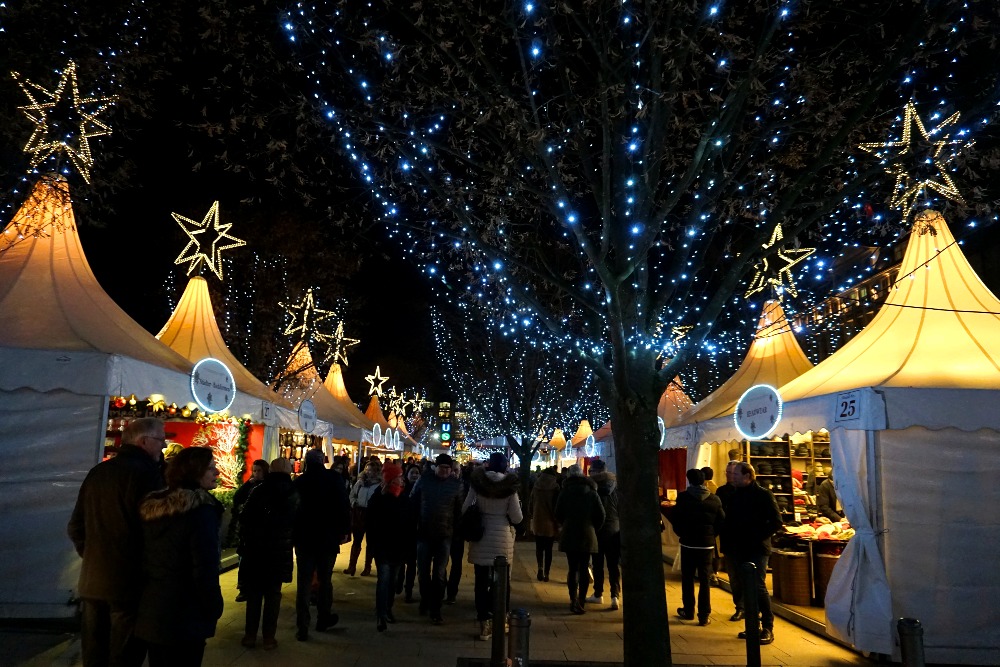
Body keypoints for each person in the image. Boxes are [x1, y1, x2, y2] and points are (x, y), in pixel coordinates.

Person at [67, 416, 166, 667]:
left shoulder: (99, 472)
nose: (163, 446)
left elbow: (75, 526)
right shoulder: (147, 475)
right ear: (144, 442)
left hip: (94, 580)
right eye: (160, 440)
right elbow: (155, 531)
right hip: (129, 583)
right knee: (124, 655)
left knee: (94, 654)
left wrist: (92, 555)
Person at [135, 447, 223, 666]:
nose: (217, 472)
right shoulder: (201, 512)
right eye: (211, 468)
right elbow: (204, 569)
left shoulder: (154, 507)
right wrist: (213, 607)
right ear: (195, 471)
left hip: (153, 609)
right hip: (185, 613)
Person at [237, 457, 298, 650]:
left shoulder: (258, 490)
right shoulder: (294, 494)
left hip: (257, 549)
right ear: (288, 471)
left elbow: (244, 518)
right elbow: (298, 523)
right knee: (273, 594)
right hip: (280, 551)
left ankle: (250, 635)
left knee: (254, 594)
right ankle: (269, 637)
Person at [293, 448, 351, 641]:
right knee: (325, 580)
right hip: (327, 537)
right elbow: (344, 505)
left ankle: (302, 625)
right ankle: (323, 618)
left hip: (304, 538)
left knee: (304, 581)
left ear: (307, 462)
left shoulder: (300, 481)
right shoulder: (334, 479)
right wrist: (344, 530)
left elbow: (294, 509)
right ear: (323, 461)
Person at [722, 462, 783, 645]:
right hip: (738, 549)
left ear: (748, 476)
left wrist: (758, 536)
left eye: (737, 475)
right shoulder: (733, 496)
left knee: (757, 586)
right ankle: (752, 626)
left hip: (757, 549)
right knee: (745, 588)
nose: (733, 477)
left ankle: (767, 627)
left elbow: (776, 521)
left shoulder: (764, 495)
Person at [464, 453, 522, 641]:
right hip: (501, 538)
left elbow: (465, 507)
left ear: (488, 465)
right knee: (502, 581)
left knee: (481, 581)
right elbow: (517, 517)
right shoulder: (510, 488)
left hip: (481, 535)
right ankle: (500, 618)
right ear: (505, 467)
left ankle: (484, 623)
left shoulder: (477, 484)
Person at [411, 453, 464, 624]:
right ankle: (425, 600)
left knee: (439, 574)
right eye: (442, 468)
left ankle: (436, 607)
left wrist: (456, 532)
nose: (445, 471)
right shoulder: (424, 480)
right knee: (423, 572)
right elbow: (413, 502)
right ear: (436, 467)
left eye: (448, 468)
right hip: (424, 533)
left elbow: (459, 511)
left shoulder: (456, 485)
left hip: (444, 535)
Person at [668, 468, 725, 626]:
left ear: (689, 480)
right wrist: (712, 535)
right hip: (706, 545)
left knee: (688, 578)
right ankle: (704, 614)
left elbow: (676, 517)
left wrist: (681, 533)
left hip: (688, 543)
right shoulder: (714, 499)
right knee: (705, 580)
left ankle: (688, 610)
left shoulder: (684, 498)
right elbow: (721, 520)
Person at [555, 464, 605, 615]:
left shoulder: (565, 492)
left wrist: (565, 523)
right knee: (584, 568)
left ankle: (573, 598)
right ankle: (581, 600)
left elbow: (558, 513)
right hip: (587, 533)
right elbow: (601, 515)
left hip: (570, 533)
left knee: (573, 568)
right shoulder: (592, 492)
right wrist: (593, 528)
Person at [366, 461, 407, 631]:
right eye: (398, 477)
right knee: (383, 580)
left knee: (393, 581)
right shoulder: (378, 497)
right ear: (391, 480)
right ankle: (381, 614)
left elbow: (409, 523)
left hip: (398, 547)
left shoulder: (404, 497)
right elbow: (371, 523)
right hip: (382, 546)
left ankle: (388, 608)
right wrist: (372, 545)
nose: (401, 480)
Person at [585, 459, 621, 610]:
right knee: (613, 565)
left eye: (590, 471)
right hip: (614, 528)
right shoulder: (616, 485)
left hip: (598, 529)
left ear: (595, 471)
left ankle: (598, 594)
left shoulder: (592, 487)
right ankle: (615, 596)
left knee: (598, 563)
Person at [232, 459, 269, 602]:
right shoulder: (251, 485)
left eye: (259, 470)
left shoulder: (267, 486)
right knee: (244, 559)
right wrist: (248, 483)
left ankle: (258, 586)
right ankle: (243, 587)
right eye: (254, 470)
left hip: (261, 530)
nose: (257, 473)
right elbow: (238, 497)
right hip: (248, 530)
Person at [716, 459, 744, 621]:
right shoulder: (722, 491)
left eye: (733, 473)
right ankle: (740, 606)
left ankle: (752, 607)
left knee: (748, 576)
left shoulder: (750, 492)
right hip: (729, 540)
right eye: (727, 473)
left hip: (747, 542)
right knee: (734, 576)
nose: (730, 476)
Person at [344, 460, 382, 576]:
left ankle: (367, 567)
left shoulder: (379, 485)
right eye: (367, 469)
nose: (368, 472)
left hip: (372, 514)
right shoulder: (360, 482)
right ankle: (352, 566)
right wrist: (354, 503)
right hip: (359, 512)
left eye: (371, 470)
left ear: (376, 471)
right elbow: (352, 494)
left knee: (370, 542)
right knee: (357, 540)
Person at [445, 462, 473, 604]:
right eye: (452, 470)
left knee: (456, 563)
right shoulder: (442, 486)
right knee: (441, 563)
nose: (454, 473)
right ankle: (441, 588)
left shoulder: (466, 487)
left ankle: (452, 592)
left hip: (457, 531)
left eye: (457, 470)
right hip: (443, 531)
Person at [396, 463, 422, 602]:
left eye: (417, 473)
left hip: (415, 532)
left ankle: (409, 590)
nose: (415, 475)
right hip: (403, 531)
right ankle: (399, 583)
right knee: (401, 562)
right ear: (407, 474)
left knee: (411, 564)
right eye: (412, 472)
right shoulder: (401, 490)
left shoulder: (421, 491)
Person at [529, 466, 560, 583]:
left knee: (539, 547)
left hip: (538, 520)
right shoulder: (555, 487)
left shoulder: (536, 486)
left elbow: (531, 504)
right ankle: (547, 573)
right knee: (548, 549)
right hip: (550, 522)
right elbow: (557, 506)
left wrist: (533, 514)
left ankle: (540, 567)